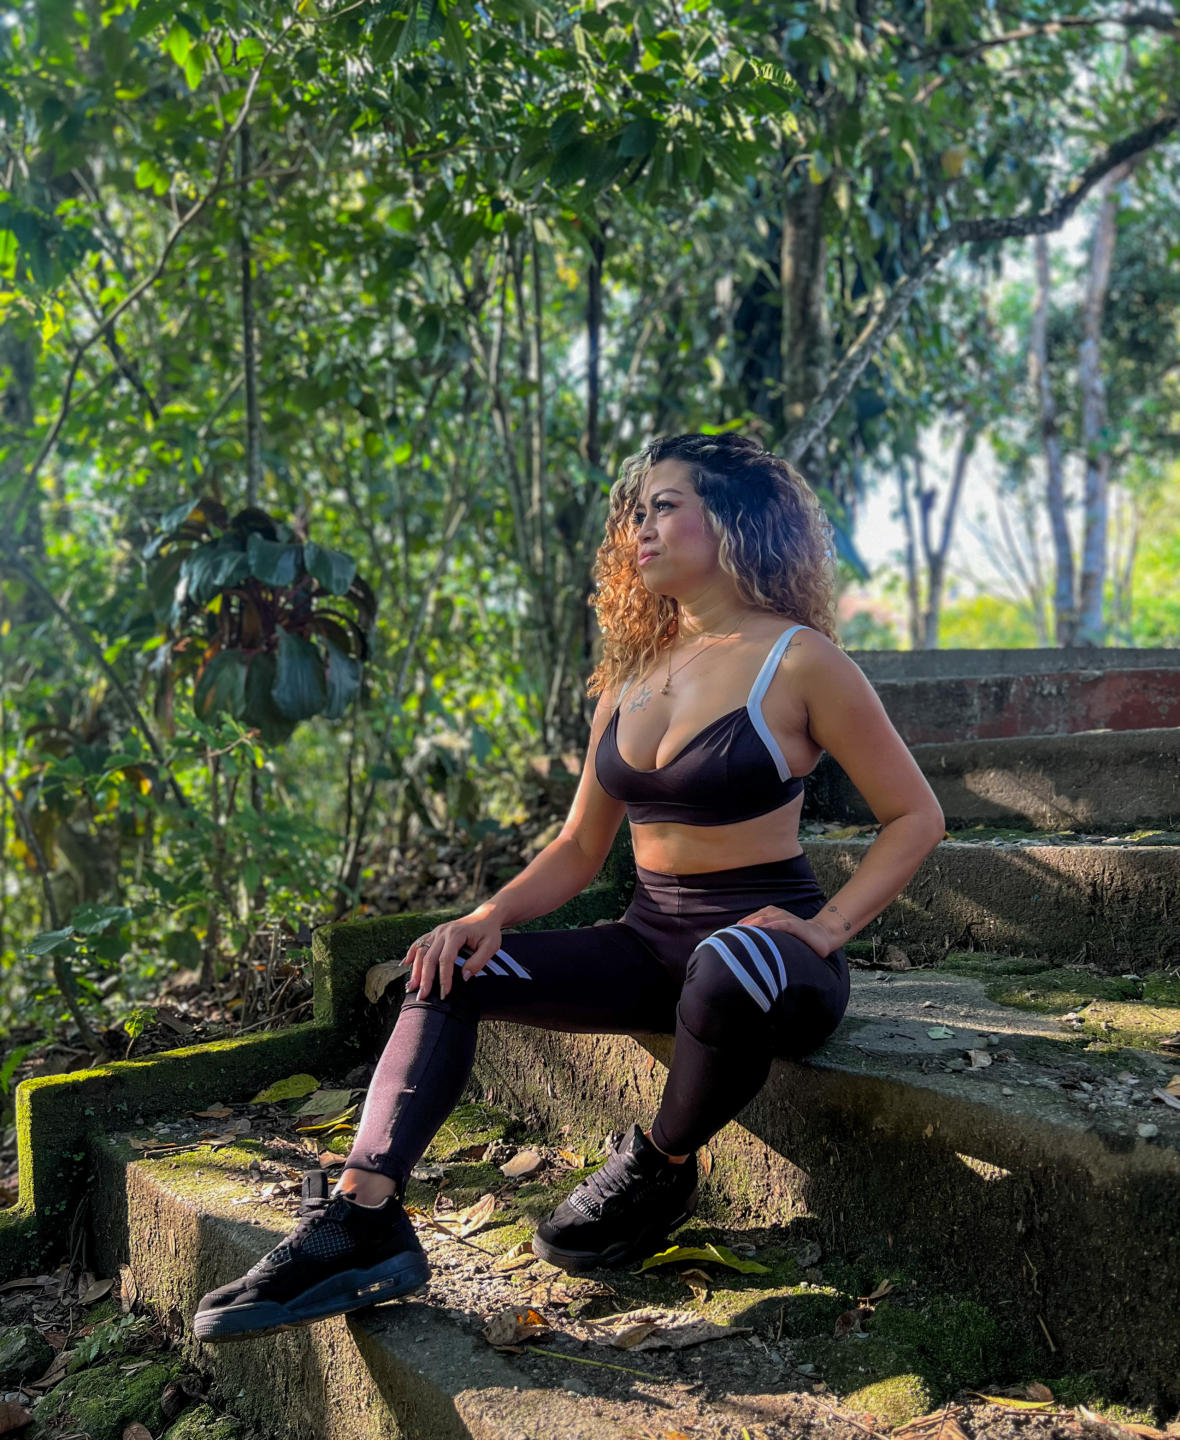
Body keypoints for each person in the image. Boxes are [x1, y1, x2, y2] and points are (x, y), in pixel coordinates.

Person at [194, 432, 945, 1344]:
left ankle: (661, 1164)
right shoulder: (634, 675)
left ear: (736, 522)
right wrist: (486, 915)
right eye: (637, 512)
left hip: (765, 965)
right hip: (647, 944)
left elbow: (915, 815)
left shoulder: (800, 661)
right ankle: (362, 1219)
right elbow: (581, 846)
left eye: (666, 506)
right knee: (447, 970)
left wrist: (826, 928)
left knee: (725, 962)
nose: (641, 528)